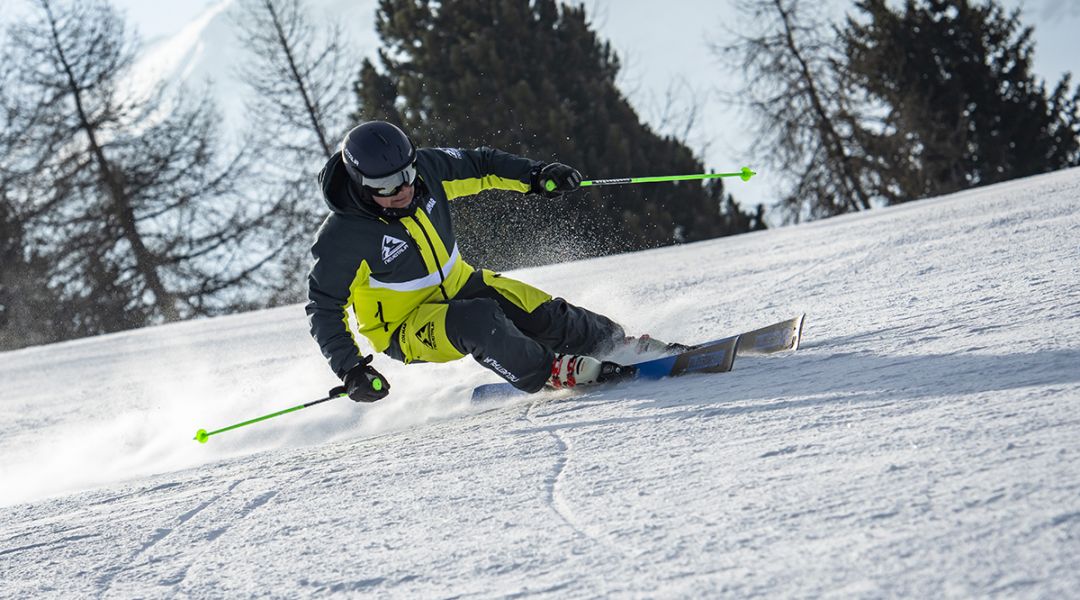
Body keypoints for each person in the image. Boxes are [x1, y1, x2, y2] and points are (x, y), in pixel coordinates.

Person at [306, 121, 680, 402]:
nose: (403, 190)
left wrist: (535, 175)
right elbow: (323, 306)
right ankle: (549, 370)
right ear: (360, 183)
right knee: (479, 320)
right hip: (406, 327)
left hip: (459, 282)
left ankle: (616, 345)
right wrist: (352, 368)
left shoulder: (428, 173)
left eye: (407, 175)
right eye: (386, 187)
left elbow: (481, 166)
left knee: (543, 312)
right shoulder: (342, 237)